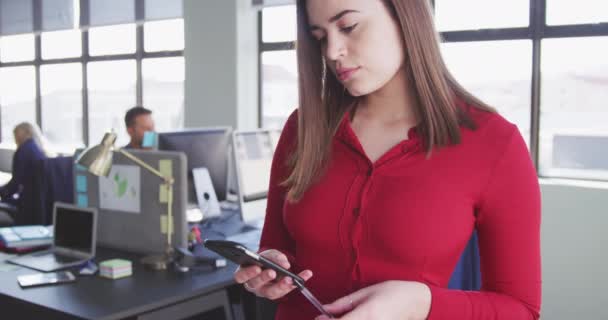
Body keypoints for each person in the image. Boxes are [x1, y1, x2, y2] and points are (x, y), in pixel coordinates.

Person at [234, 1, 541, 320]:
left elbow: (521, 309)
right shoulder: (302, 128)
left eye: (349, 27)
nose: (332, 51)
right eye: (320, 36)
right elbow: (277, 247)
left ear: (405, 16)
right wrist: (269, 272)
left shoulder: (494, 144)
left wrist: (421, 304)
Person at [0, 122, 49, 207]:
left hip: (28, 202)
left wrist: (2, 192)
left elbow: (15, 184)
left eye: (16, 135)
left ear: (26, 134)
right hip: (40, 200)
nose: (15, 139)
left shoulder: (23, 151)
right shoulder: (37, 148)